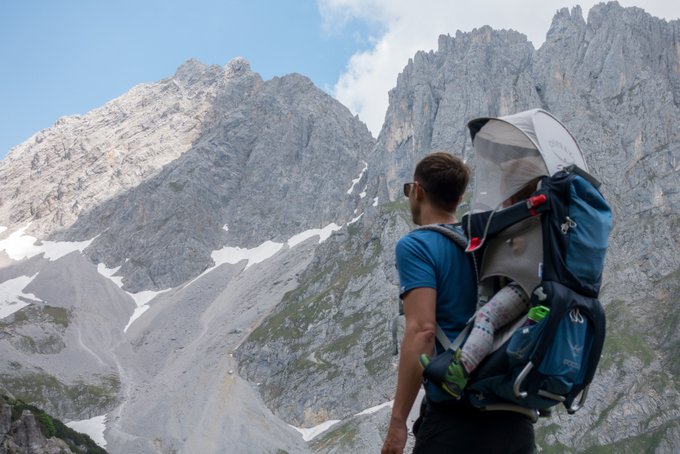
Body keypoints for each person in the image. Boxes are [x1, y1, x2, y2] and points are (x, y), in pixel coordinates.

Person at [381, 152, 535, 454]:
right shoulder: (491, 241)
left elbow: (423, 332)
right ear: (459, 195)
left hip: (457, 419)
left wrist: (398, 423)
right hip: (514, 419)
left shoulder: (417, 245)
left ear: (418, 190)